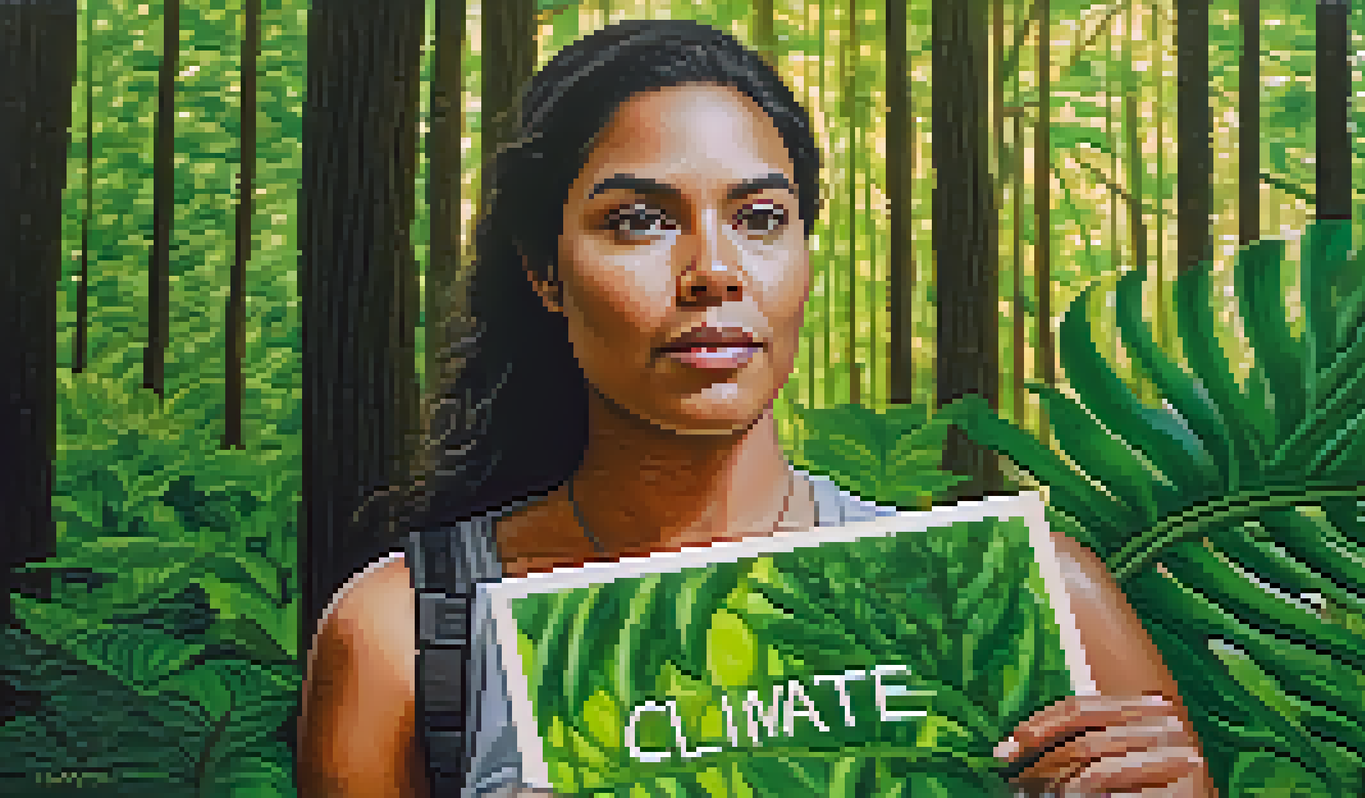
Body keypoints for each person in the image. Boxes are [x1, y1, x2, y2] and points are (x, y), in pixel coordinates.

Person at [296, 19, 1216, 798]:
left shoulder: (1039, 600)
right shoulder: (403, 638)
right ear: (545, 268)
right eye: (640, 220)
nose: (714, 272)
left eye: (760, 217)